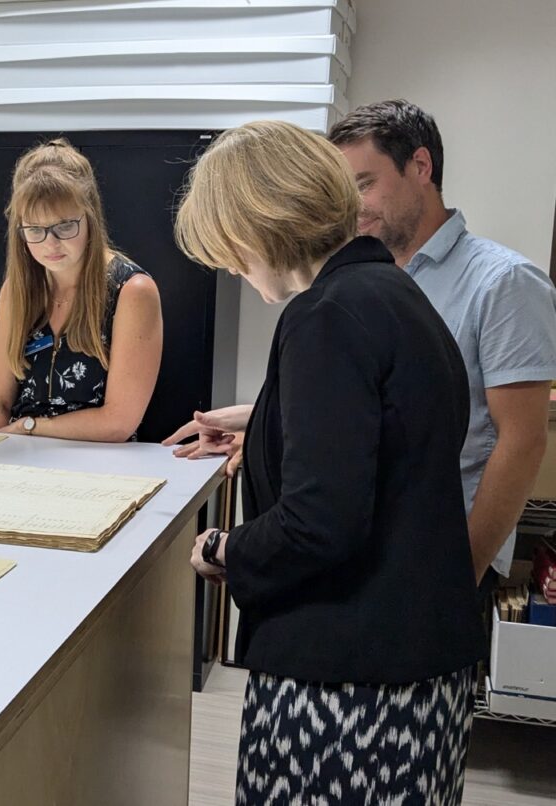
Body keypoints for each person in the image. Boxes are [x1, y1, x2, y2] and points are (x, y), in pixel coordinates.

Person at [174, 120, 485, 804]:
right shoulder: (392, 294)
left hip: (348, 684)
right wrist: (268, 425)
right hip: (415, 668)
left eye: (225, 245)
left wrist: (224, 546)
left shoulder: (325, 316)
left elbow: (320, 521)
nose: (227, 265)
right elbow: (387, 440)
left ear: (260, 223)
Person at [326, 100, 556, 589]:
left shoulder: (504, 282)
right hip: (367, 546)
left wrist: (461, 570)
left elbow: (523, 440)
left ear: (421, 166)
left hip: (442, 555)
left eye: (364, 184)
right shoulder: (372, 277)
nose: (353, 207)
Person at [0, 139, 162, 441]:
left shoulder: (132, 291)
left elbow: (118, 422)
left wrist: (28, 427)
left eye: (65, 227)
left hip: (97, 462)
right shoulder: (17, 290)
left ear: (90, 217)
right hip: (18, 456)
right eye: (35, 230)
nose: (50, 244)